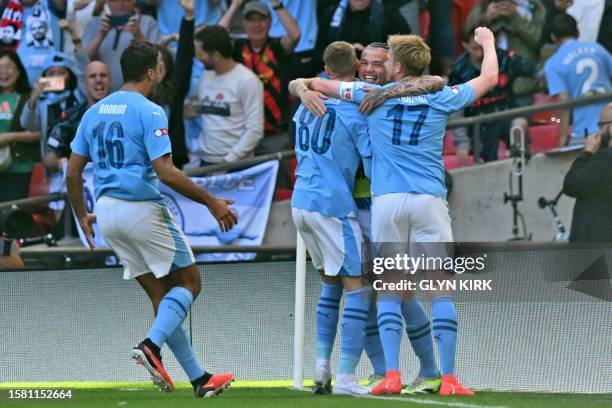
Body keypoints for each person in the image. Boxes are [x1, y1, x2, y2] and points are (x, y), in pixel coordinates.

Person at [300, 27, 499, 396]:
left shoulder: (369, 95)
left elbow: (317, 83)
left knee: (392, 289)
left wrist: (304, 86)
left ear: (399, 65)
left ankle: (391, 375)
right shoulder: (442, 97)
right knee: (440, 290)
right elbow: (489, 77)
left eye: (387, 58)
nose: (381, 64)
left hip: (387, 202)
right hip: (429, 201)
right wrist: (487, 41)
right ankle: (450, 378)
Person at [66, 41, 237, 398]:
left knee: (163, 299)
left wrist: (82, 213)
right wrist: (211, 202)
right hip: (140, 207)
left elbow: (72, 172)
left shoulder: (94, 112)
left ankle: (199, 379)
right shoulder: (150, 110)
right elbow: (166, 172)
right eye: (158, 66)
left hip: (107, 210)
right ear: (150, 72)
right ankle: (150, 347)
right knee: (189, 284)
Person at [289, 41, 374, 396]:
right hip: (333, 206)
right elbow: (372, 164)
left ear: (325, 69)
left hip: (301, 204)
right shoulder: (358, 115)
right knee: (358, 287)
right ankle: (347, 378)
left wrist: (300, 86)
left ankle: (322, 369)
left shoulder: (304, 107)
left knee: (331, 285)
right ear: (356, 68)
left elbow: (299, 86)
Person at [449, 24, 535, 162]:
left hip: (507, 114)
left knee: (519, 123)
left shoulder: (505, 58)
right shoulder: (458, 70)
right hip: (479, 125)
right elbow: (455, 109)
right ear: (465, 45)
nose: (480, 54)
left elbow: (537, 71)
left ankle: (522, 163)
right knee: (486, 161)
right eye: (475, 48)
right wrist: (462, 143)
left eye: (483, 48)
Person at [183, 25, 264, 167]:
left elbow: (255, 130)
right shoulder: (206, 76)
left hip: (236, 165)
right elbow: (196, 109)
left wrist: (228, 162)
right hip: (206, 161)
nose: (197, 57)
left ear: (216, 55)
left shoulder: (247, 80)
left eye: (200, 53)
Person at [544, 13, 612, 146]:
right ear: (577, 32)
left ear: (553, 37)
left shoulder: (553, 63)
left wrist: (563, 136)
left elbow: (564, 100)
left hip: (586, 131)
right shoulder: (597, 48)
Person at [44, 61, 112, 171]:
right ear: (85, 82)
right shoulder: (71, 116)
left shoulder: (127, 113)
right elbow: (49, 155)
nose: (98, 80)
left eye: (103, 75)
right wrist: (59, 163)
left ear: (111, 80)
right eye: (92, 76)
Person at [83, 0, 160, 90]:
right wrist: (101, 35)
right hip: (101, 93)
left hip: (137, 92)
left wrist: (138, 35)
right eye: (114, 0)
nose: (120, 4)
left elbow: (157, 60)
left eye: (126, 0)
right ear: (107, 1)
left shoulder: (148, 22)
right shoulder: (94, 24)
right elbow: (84, 60)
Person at [563, 104, 612, 242]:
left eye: (601, 125)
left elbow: (571, 185)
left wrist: (588, 151)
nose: (598, 131)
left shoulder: (607, 158)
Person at [0, 49, 40, 202]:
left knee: (12, 218)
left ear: (19, 71)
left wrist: (9, 137)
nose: (4, 72)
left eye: (8, 67)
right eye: (0, 67)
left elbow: (39, 134)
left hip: (19, 167)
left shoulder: (28, 98)